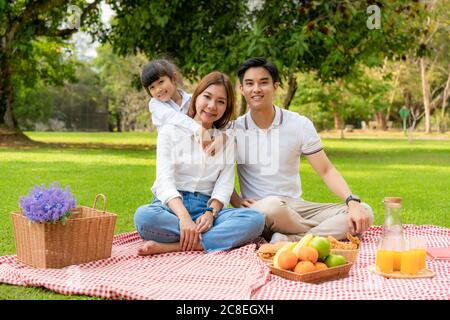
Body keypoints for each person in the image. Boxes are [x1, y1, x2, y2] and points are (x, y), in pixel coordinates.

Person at [230, 57, 374, 242]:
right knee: (271, 207)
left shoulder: (299, 124)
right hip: (262, 208)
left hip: (297, 207)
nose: (256, 89)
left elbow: (326, 170)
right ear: (241, 89)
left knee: (365, 212)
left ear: (275, 87)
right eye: (249, 84)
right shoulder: (234, 130)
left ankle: (290, 239)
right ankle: (312, 236)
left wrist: (352, 201)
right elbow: (219, 174)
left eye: (263, 82)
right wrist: (235, 199)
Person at [134, 71, 264, 255]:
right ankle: (208, 240)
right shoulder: (170, 131)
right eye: (207, 97)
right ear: (196, 96)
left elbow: (224, 185)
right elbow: (164, 181)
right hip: (170, 208)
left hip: (206, 209)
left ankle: (177, 245)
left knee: (255, 220)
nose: (212, 106)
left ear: (226, 107)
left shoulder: (225, 140)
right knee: (144, 217)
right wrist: (183, 218)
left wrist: (211, 213)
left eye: (221, 101)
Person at [140, 58, 224, 155]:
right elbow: (172, 117)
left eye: (161, 82)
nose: (158, 89)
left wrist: (222, 136)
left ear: (174, 78)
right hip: (172, 155)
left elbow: (213, 119)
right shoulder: (155, 104)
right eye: (152, 87)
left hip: (197, 153)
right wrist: (197, 129)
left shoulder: (192, 99)